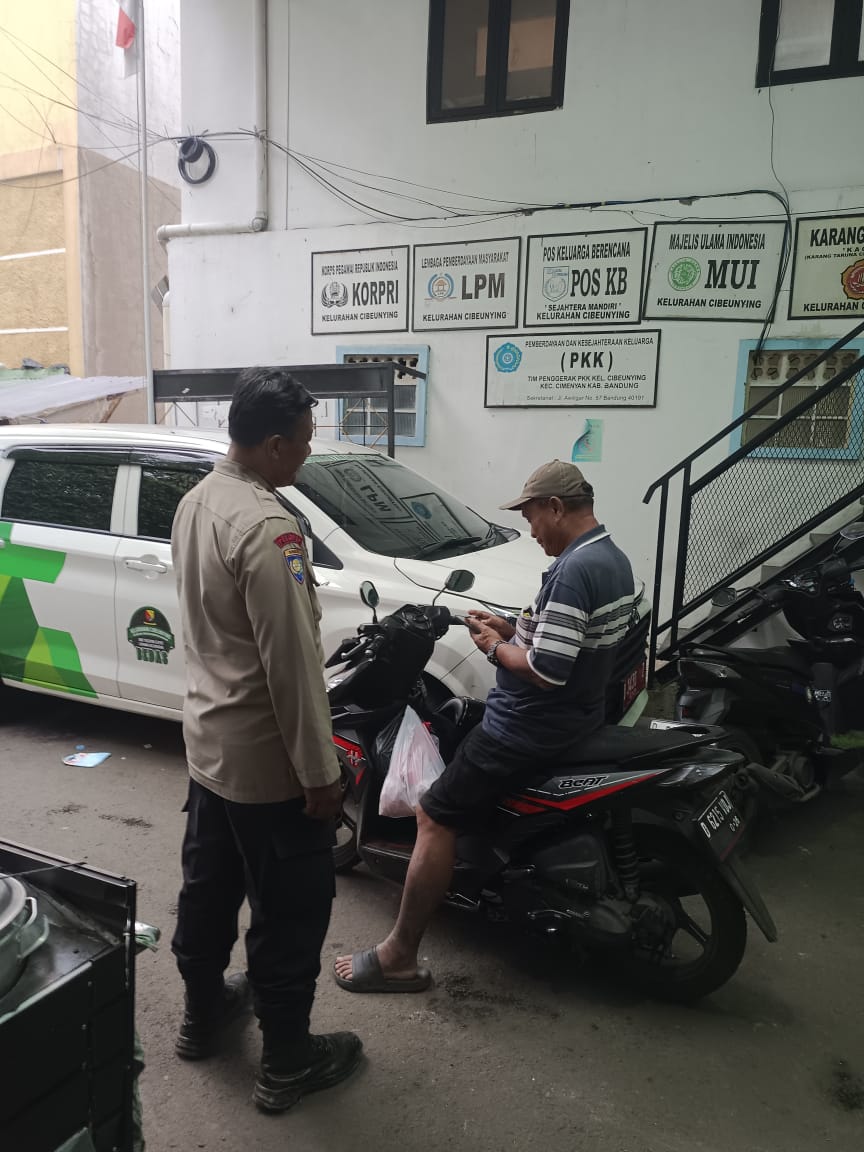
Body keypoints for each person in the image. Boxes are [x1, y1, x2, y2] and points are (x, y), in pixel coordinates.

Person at [334, 459, 635, 993]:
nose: (531, 529)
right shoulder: (612, 558)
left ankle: (399, 954)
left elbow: (547, 669)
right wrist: (512, 627)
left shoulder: (574, 569)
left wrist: (496, 648)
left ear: (556, 507)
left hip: (527, 726)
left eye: (531, 516)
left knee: (434, 813)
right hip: (577, 717)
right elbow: (568, 638)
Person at [170, 367, 362, 1112]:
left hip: (210, 749)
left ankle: (201, 1016)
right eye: (305, 440)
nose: (309, 452)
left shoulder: (197, 501)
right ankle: (287, 1060)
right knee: (290, 912)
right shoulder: (268, 527)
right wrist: (319, 774)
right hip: (268, 765)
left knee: (209, 890)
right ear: (275, 444)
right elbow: (292, 665)